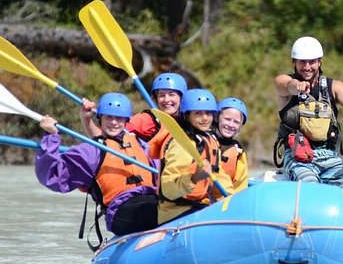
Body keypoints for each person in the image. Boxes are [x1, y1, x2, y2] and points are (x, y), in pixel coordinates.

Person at [35, 93, 159, 237]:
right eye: (108, 117)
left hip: (149, 201)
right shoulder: (90, 152)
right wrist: (51, 136)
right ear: (100, 119)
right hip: (121, 210)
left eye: (119, 118)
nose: (113, 122)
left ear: (126, 121)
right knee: (153, 209)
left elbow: (163, 173)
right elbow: (52, 176)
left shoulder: (140, 145)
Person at [273, 36, 343, 194]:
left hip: (330, 156)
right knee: (310, 187)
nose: (307, 67)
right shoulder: (285, 82)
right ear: (294, 62)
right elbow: (284, 85)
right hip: (298, 157)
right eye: (302, 62)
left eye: (312, 62)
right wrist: (297, 86)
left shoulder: (335, 87)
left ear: (319, 62)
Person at [158, 88, 233, 224]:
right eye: (198, 113)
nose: (205, 118)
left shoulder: (210, 141)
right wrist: (194, 178)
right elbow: (168, 188)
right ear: (187, 116)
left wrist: (233, 202)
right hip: (175, 212)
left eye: (208, 113)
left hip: (200, 207)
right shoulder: (181, 144)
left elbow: (219, 177)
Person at [80, 72, 188, 142]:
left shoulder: (190, 120)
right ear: (156, 99)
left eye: (172, 94)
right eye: (161, 95)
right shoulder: (147, 120)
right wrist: (86, 119)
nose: (166, 100)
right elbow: (105, 137)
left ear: (181, 98)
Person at [215, 97, 249, 194]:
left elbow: (240, 184)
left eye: (236, 122)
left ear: (240, 125)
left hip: (223, 199)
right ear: (217, 117)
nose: (231, 125)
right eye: (227, 119)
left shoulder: (238, 151)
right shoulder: (206, 140)